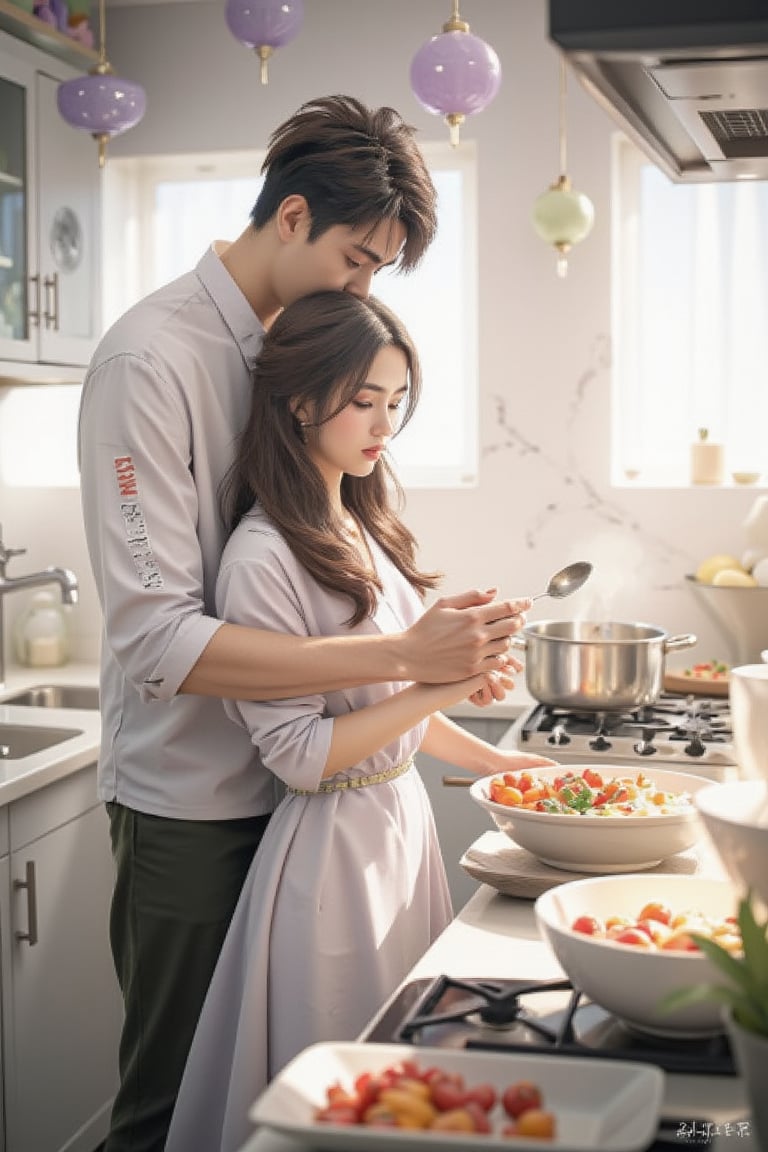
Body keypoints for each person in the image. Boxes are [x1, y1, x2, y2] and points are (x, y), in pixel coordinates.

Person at [78, 94, 532, 1152]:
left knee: (291, 1105)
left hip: (304, 804)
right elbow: (155, 637)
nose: (364, 286)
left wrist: (435, 680)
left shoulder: (293, 357)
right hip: (194, 802)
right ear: (291, 218)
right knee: (172, 1105)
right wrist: (408, 661)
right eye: (360, 260)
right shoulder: (149, 362)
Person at [164, 290, 558, 1152]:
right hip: (329, 858)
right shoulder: (264, 555)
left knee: (405, 1088)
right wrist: (435, 675)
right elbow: (303, 758)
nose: (383, 424)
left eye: (395, 402)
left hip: (397, 831)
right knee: (347, 1101)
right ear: (302, 400)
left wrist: (513, 774)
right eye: (362, 400)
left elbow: (394, 720)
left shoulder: (361, 518)